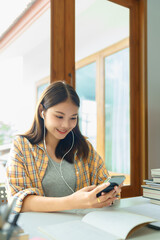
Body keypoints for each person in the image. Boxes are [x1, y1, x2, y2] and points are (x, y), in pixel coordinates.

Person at [6, 81, 121, 213]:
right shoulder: (22, 146)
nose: (66, 125)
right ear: (42, 111)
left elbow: (102, 183)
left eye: (73, 117)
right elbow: (18, 201)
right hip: (39, 228)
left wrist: (110, 192)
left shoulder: (83, 147)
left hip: (82, 225)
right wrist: (72, 202)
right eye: (59, 116)